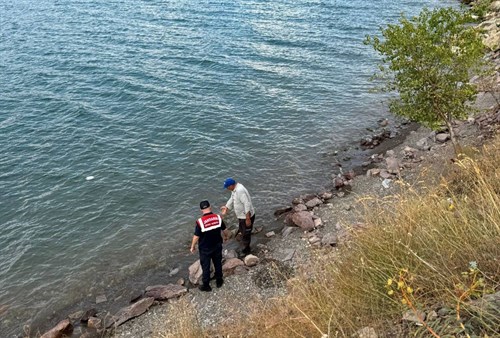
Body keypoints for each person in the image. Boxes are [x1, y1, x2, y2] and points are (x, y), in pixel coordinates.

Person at [190, 200, 228, 292]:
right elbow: (225, 230)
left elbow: (196, 236)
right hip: (217, 245)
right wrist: (226, 237)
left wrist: (192, 246)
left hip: (205, 248)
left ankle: (206, 285)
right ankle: (219, 281)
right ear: (210, 207)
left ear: (201, 210)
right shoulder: (218, 218)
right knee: (218, 263)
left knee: (206, 266)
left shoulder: (200, 222)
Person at [221, 178, 255, 255]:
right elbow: (232, 198)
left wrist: (248, 218)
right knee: (242, 230)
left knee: (246, 234)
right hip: (241, 216)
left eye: (227, 187)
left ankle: (246, 251)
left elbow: (247, 204)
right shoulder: (234, 190)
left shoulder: (240, 191)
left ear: (231, 185)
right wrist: (226, 207)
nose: (227, 189)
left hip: (246, 216)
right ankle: (243, 242)